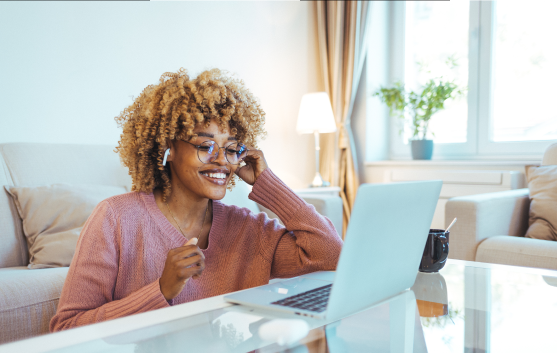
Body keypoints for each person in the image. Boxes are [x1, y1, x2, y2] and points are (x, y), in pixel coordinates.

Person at [49, 68, 343, 332]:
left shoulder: (249, 230)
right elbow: (67, 328)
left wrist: (270, 184)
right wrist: (162, 290)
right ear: (168, 148)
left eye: (231, 149)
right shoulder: (115, 218)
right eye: (205, 145)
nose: (221, 161)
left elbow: (331, 255)